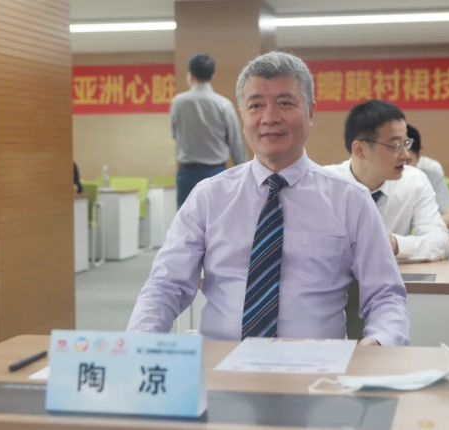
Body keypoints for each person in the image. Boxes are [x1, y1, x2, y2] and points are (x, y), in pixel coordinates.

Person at [127, 52, 409, 346]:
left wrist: (380, 341)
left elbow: (386, 295)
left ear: (310, 112)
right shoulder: (208, 197)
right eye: (256, 105)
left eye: (285, 103)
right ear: (242, 116)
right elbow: (166, 285)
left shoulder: (351, 200)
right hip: (219, 363)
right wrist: (137, 343)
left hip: (314, 366)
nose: (270, 118)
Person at [324, 100, 449, 263]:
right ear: (360, 150)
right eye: (395, 145)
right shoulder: (325, 185)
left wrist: (395, 244)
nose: (405, 155)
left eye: (406, 143)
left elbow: (441, 243)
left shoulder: (414, 181)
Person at [171, 53, 247, 207]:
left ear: (190, 76)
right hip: (216, 173)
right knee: (218, 219)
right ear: (212, 76)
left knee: (187, 220)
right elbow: (236, 143)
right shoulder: (223, 104)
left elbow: (175, 134)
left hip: (187, 174)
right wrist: (245, 176)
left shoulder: (178, 102)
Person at [406, 124, 449, 229]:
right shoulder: (384, 173)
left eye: (408, 161)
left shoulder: (431, 172)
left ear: (419, 154)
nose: (403, 167)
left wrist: (412, 226)